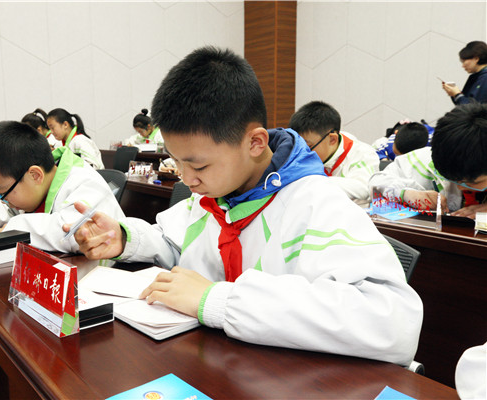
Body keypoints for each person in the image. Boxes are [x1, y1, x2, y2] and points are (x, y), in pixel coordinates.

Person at [69, 46, 423, 366]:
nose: (187, 179)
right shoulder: (215, 193)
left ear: (255, 143)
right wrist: (125, 238)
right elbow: (175, 242)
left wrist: (217, 301)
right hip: (221, 364)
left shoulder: (316, 203)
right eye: (178, 162)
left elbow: (394, 322)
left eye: (198, 166)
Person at [0, 121, 124, 253]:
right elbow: (4, 206)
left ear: (35, 175)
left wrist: (11, 230)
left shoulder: (85, 182)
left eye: (3, 192)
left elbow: (72, 232)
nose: (3, 200)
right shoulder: (30, 185)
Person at [288, 101, 380, 202]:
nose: (303, 153)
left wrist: (312, 182)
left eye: (308, 147)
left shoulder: (363, 153)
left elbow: (363, 189)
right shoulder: (301, 150)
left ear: (332, 139)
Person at [431, 103, 487, 218]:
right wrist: (406, 194)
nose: (460, 187)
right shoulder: (447, 153)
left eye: (474, 182)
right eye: (455, 180)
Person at [442, 41, 487, 105]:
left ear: (476, 59)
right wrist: (454, 94)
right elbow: (463, 105)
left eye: (464, 61)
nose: (463, 66)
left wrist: (457, 94)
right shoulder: (474, 77)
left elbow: (474, 108)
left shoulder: (484, 78)